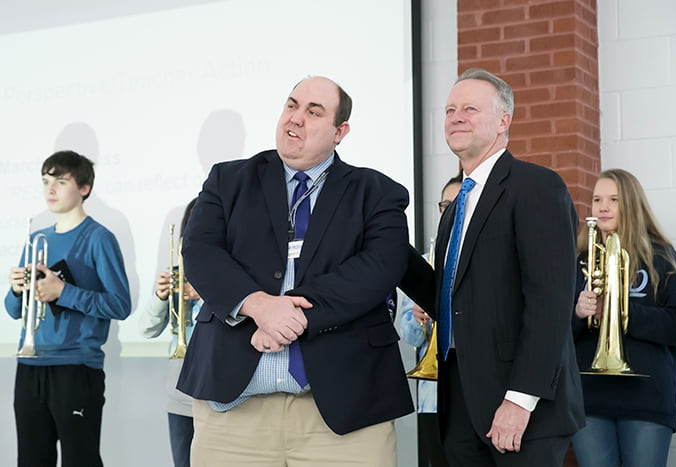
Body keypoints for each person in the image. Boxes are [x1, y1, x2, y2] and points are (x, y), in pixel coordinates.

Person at [176, 76, 413, 466]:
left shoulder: (377, 192)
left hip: (345, 416)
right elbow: (200, 251)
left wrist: (292, 316)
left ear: (340, 132)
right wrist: (258, 306)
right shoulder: (228, 180)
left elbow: (380, 267)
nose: (296, 118)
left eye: (313, 111)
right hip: (233, 414)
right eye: (292, 105)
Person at [400, 68, 584, 466]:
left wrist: (520, 400)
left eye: (469, 108)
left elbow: (550, 302)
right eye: (450, 110)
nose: (456, 117)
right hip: (462, 402)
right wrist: (392, 250)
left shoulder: (536, 186)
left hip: (521, 404)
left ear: (504, 121)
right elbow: (448, 297)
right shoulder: (456, 209)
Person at [5, 150, 131, 467]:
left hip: (76, 366)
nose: (50, 190)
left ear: (84, 188)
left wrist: (63, 292)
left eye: (60, 182)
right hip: (30, 364)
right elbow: (12, 310)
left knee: (80, 460)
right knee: (31, 460)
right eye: (46, 181)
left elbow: (120, 304)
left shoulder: (100, 238)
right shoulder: (36, 238)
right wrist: (17, 290)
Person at [571, 169, 676, 467]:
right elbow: (552, 331)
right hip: (589, 398)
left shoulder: (662, 257)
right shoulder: (578, 260)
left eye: (614, 199)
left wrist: (620, 312)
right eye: (597, 199)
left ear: (632, 204)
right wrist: (577, 314)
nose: (603, 206)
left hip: (647, 398)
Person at [398, 174, 461, 467]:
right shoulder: (424, 261)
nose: (449, 211)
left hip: (471, 393)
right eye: (444, 205)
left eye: (458, 204)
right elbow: (408, 335)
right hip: (430, 397)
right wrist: (416, 317)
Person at [139, 198, 201, 467]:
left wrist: (208, 294)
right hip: (180, 397)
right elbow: (147, 329)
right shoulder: (179, 273)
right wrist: (159, 295)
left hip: (225, 399)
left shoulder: (235, 277)